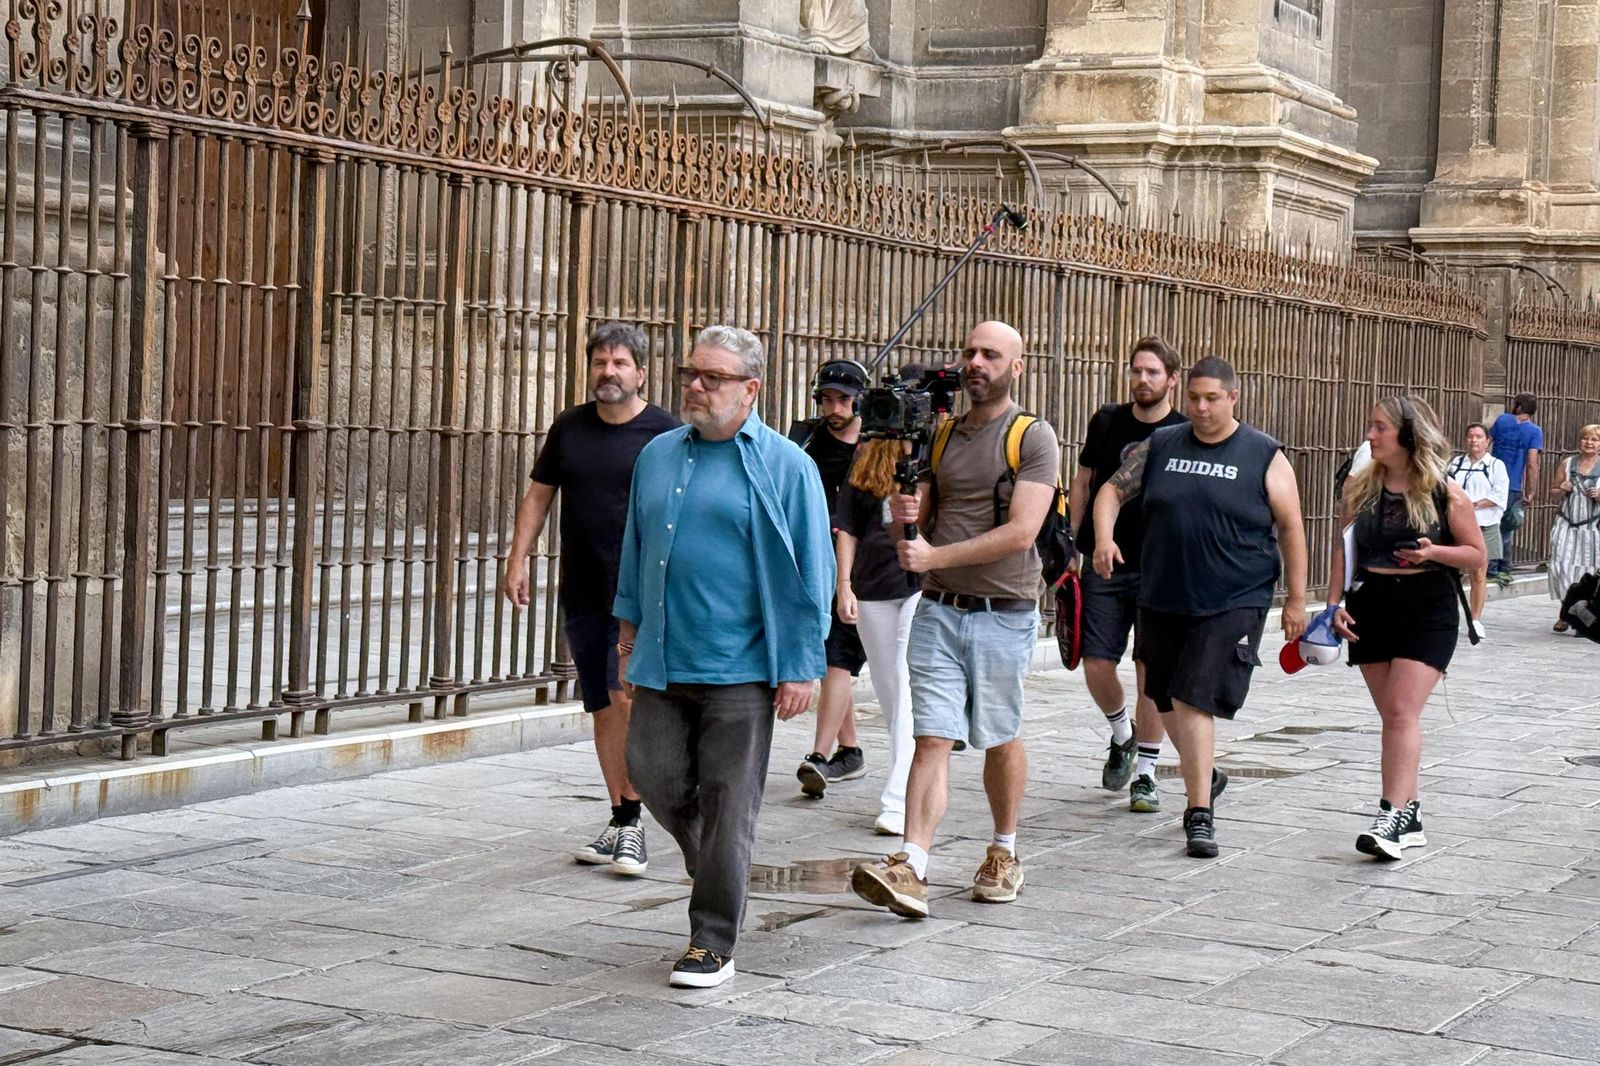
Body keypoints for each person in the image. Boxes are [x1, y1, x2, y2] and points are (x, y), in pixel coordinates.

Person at [614, 325, 833, 988]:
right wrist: (627, 635)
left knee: (729, 801)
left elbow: (813, 570)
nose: (695, 386)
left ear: (750, 389)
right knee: (649, 772)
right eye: (691, 373)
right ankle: (716, 860)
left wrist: (802, 665)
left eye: (712, 377)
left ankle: (711, 941)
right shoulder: (657, 455)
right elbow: (635, 548)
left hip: (743, 667)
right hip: (664, 658)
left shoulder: (788, 466)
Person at [850, 321, 1058, 919]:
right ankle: (912, 864)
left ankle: (1004, 851)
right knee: (932, 736)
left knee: (998, 736)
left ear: (1016, 367)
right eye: (970, 352)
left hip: (1003, 612)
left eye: (990, 354)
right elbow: (920, 528)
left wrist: (933, 558)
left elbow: (1022, 532)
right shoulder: (940, 437)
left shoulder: (1032, 437)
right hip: (940, 609)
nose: (975, 363)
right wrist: (904, 514)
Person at [1092, 355, 1308, 859]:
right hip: (1164, 592)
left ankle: (1199, 813)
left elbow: (1291, 527)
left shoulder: (1263, 453)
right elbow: (1111, 491)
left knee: (1193, 698)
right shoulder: (1163, 444)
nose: (1202, 408)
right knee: (1164, 696)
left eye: (1212, 398)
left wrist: (1297, 599)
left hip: (1234, 597)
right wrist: (1104, 537)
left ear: (1233, 398)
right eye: (1194, 398)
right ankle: (1203, 771)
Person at [502, 322, 678, 876]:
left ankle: (635, 822)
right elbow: (539, 496)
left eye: (620, 363)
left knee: (625, 698)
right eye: (601, 362)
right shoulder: (570, 426)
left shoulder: (666, 434)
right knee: (602, 704)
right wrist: (517, 557)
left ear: (641, 373)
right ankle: (622, 817)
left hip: (642, 594)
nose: (609, 372)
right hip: (583, 587)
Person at [1327, 396, 1485, 859]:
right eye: (1371, 426)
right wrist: (1332, 605)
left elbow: (1476, 555)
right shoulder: (1360, 485)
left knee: (1399, 712)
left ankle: (1391, 817)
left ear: (1409, 434)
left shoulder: (1445, 491)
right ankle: (1410, 814)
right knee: (1396, 717)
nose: (1370, 435)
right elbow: (1343, 549)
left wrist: (1434, 552)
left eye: (1380, 427)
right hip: (1371, 604)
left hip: (1427, 607)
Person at [1068, 336, 1186, 812]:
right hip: (1104, 561)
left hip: (1160, 568)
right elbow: (1084, 483)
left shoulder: (1182, 431)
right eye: (1137, 370)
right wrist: (1073, 544)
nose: (1142, 379)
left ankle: (1147, 775)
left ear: (1172, 379)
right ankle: (1123, 734)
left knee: (1149, 672)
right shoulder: (1107, 421)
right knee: (1095, 661)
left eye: (1153, 372)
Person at [833, 432, 924, 836]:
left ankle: (898, 801)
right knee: (890, 695)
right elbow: (848, 526)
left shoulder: (934, 451)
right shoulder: (867, 455)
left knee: (904, 685)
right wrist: (844, 583)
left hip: (921, 584)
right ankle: (919, 774)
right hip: (872, 585)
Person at [789, 359, 870, 797]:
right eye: (827, 399)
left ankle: (818, 756)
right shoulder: (805, 440)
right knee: (827, 657)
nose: (834, 408)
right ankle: (850, 750)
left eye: (843, 399)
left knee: (838, 658)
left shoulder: (875, 445)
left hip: (858, 568)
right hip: (811, 561)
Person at [1447, 423, 1509, 638]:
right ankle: (1452, 617)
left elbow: (1498, 496)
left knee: (1478, 573)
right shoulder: (1455, 464)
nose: (1474, 440)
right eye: (1470, 436)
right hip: (1456, 525)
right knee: (1452, 574)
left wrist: (1470, 505)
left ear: (1487, 441)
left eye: (1479, 436)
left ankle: (1475, 619)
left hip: (1484, 524)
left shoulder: (1496, 466)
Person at [1549, 423, 1600, 633]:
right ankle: (1566, 610)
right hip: (1567, 524)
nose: (1589, 443)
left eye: (1594, 439)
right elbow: (1553, 491)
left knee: (1588, 572)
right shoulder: (1568, 463)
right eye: (1585, 438)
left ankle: (1582, 617)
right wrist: (1562, 488)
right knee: (1560, 566)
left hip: (1593, 527)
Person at [1489, 392, 1543, 584]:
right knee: (1507, 528)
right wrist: (1531, 490)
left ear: (1518, 407)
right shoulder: (1534, 431)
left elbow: (1486, 443)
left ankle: (1490, 568)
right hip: (1513, 485)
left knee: (1490, 525)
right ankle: (1504, 567)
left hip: (1492, 481)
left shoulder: (1502, 420)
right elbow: (1532, 463)